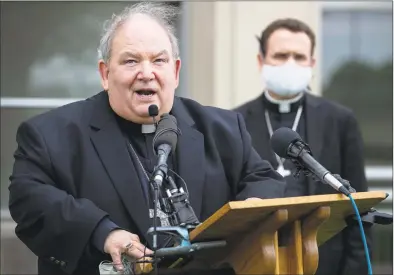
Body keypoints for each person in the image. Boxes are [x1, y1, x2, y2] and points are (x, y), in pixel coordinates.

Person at [8, 3, 286, 275]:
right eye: (131, 61)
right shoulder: (51, 135)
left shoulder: (222, 127)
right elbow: (30, 199)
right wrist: (101, 231)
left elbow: (263, 178)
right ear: (105, 74)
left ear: (175, 72)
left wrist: (250, 211)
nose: (146, 73)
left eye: (158, 60)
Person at [233, 18, 371, 275]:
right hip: (257, 263)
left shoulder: (340, 121)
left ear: (312, 64)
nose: (290, 64)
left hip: (326, 264)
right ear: (260, 61)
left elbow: (358, 206)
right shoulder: (233, 122)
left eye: (299, 56)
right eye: (281, 55)